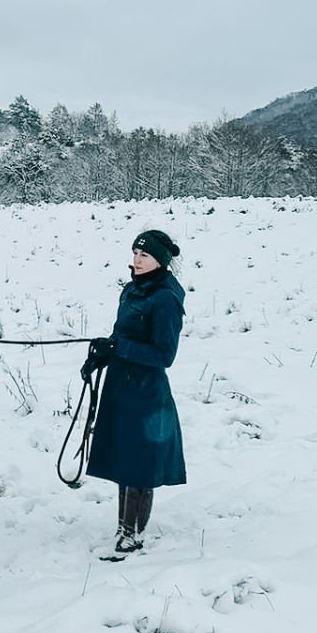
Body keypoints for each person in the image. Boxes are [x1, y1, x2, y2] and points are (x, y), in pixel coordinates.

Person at [83, 229, 186, 559]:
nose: (136, 261)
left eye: (144, 256)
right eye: (135, 254)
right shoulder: (131, 290)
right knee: (124, 460)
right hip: (120, 386)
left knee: (140, 465)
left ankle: (133, 535)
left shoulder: (166, 298)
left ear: (160, 260)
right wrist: (101, 355)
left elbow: (164, 355)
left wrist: (120, 347)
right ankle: (123, 529)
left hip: (147, 393)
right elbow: (120, 335)